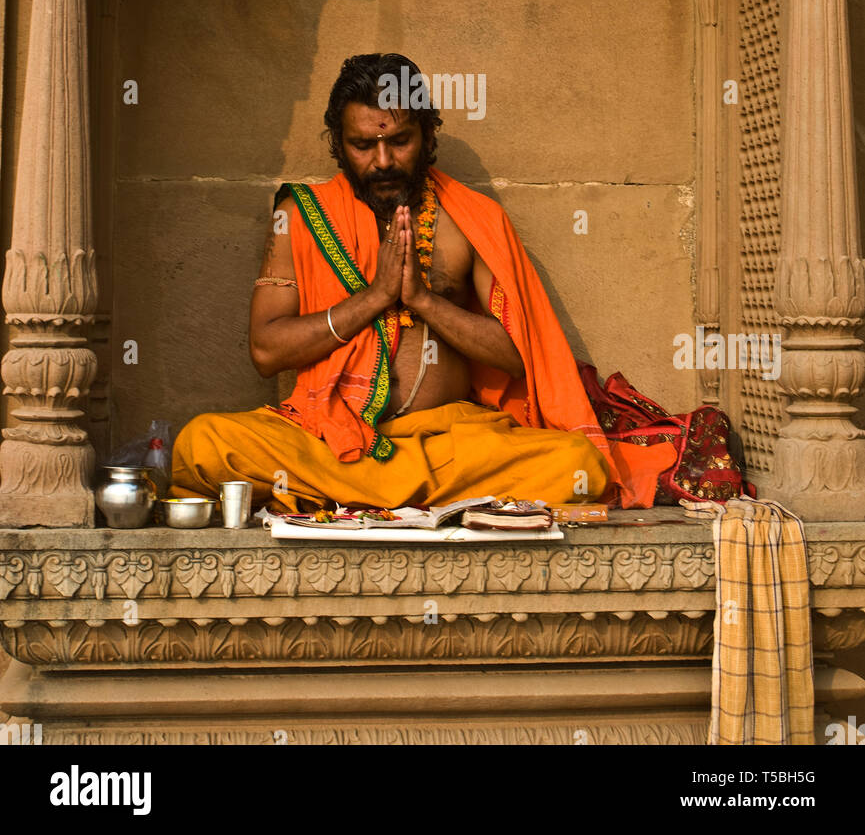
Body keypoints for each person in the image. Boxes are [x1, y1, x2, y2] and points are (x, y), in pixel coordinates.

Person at [171, 53, 676, 513]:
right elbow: (265, 351)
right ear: (338, 144)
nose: (383, 160)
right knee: (202, 443)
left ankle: (355, 499)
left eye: (400, 141)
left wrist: (421, 299)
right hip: (329, 439)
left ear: (428, 135)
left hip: (447, 442)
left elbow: (520, 355)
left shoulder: (474, 220)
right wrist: (374, 298)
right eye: (363, 144)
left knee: (576, 463)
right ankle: (403, 498)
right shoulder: (300, 217)